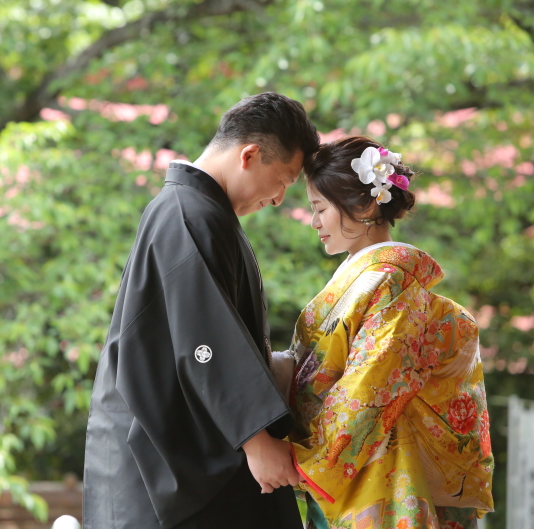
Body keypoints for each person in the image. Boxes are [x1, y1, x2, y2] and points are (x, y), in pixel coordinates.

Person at [83, 92, 320, 529]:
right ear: (249, 155)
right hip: (156, 457)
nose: (279, 199)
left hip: (179, 446)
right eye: (284, 180)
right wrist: (256, 440)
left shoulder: (198, 212)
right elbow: (204, 339)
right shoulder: (188, 214)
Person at [281, 136, 494, 528]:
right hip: (352, 467)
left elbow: (373, 383)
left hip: (375, 466)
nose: (314, 222)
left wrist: (310, 460)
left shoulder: (389, 279)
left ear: (364, 206)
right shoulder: (367, 276)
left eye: (320, 208)